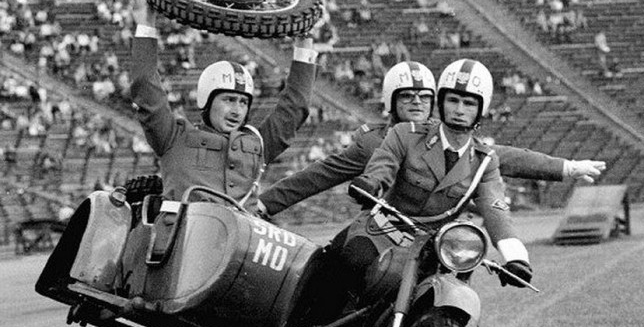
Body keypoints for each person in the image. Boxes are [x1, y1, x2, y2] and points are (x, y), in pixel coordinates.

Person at [256, 60, 605, 218]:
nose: (417, 103)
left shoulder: (448, 135)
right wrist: (266, 204)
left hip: (437, 236)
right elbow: (319, 175)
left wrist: (565, 167)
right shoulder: (373, 143)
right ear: (391, 101)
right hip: (384, 231)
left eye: (424, 97)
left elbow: (503, 156)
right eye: (407, 97)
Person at [341, 58, 533, 294]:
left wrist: (516, 257)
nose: (459, 110)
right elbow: (383, 165)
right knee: (352, 264)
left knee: (444, 293)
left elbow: (496, 211)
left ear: (481, 109)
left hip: (433, 249)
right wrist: (370, 183)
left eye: (469, 103)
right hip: (381, 233)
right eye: (453, 100)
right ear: (440, 102)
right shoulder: (406, 134)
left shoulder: (485, 161)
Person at [129, 0, 319, 206]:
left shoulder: (257, 144)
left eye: (243, 102)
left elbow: (295, 109)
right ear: (207, 101)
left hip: (239, 229)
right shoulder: (173, 136)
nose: (237, 110)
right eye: (228, 100)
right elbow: (145, 86)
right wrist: (146, 23)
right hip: (185, 227)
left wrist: (304, 44)